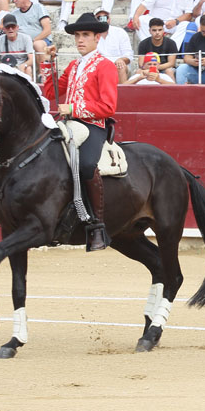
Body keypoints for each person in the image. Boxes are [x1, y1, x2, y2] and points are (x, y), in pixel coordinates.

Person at [43, 13, 118, 252]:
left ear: (98, 37)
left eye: (85, 35)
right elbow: (49, 91)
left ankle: (98, 225)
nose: (80, 40)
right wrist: (48, 62)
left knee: (86, 165)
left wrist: (74, 108)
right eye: (77, 35)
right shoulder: (74, 66)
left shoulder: (105, 65)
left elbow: (108, 107)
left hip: (94, 126)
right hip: (70, 125)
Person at [10, 0, 51, 69]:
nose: (14, 0)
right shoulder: (13, 14)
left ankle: (45, 74)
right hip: (22, 44)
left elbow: (47, 30)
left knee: (37, 44)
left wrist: (32, 41)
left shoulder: (38, 8)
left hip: (41, 40)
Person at [132, 18, 178, 84]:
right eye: (154, 30)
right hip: (148, 68)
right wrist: (151, 69)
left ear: (163, 30)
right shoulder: (143, 43)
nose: (157, 33)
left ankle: (175, 91)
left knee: (169, 71)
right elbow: (141, 64)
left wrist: (156, 67)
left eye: (160, 30)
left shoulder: (171, 43)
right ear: (149, 31)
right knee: (139, 71)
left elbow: (171, 63)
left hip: (165, 69)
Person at [94, 7, 133, 84]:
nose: (103, 20)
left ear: (109, 19)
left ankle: (122, 94)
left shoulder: (120, 32)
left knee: (120, 66)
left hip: (117, 64)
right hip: (100, 65)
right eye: (99, 18)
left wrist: (121, 60)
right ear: (95, 20)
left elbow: (128, 56)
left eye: (105, 17)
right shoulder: (92, 34)